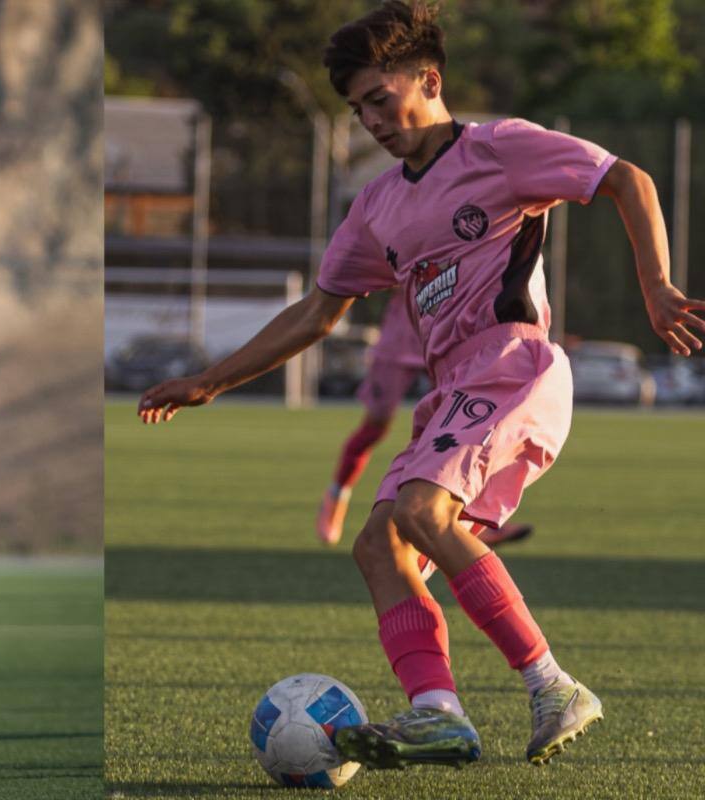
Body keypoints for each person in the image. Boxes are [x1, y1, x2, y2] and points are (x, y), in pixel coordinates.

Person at [138, 0, 705, 770]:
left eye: (378, 98)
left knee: (419, 508)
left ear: (427, 79)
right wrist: (211, 379)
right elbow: (316, 311)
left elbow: (625, 178)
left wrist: (657, 285)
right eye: (357, 107)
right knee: (379, 546)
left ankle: (552, 685)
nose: (370, 119)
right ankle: (439, 713)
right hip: (453, 391)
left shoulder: (499, 149)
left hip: (517, 365)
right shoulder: (376, 206)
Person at [318, 288, 533, 550]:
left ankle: (471, 519)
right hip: (400, 336)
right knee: (375, 426)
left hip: (447, 334)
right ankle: (336, 495)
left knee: (462, 427)